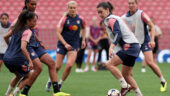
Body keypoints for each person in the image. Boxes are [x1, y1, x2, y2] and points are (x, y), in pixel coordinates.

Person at [97, 2, 143, 96]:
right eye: (98, 12)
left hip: (129, 46)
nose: (100, 14)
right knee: (126, 75)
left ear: (107, 10)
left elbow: (118, 34)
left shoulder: (111, 20)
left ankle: (124, 86)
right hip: (134, 46)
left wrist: (111, 47)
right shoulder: (114, 19)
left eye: (101, 12)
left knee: (109, 64)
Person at [121, 0, 167, 92]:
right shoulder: (124, 17)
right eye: (129, 3)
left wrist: (152, 40)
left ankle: (163, 81)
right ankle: (130, 86)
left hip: (145, 42)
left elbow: (152, 26)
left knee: (150, 62)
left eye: (132, 3)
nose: (131, 5)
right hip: (133, 44)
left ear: (137, 4)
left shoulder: (141, 14)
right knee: (128, 70)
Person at [45, 0, 86, 92]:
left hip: (74, 44)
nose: (72, 9)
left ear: (76, 8)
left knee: (69, 65)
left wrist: (83, 40)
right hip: (62, 44)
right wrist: (65, 44)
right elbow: (58, 33)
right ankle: (50, 80)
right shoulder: (64, 19)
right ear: (68, 9)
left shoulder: (81, 19)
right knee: (58, 66)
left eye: (74, 8)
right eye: (70, 8)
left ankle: (60, 84)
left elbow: (84, 28)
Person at [3, 10, 35, 96]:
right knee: (29, 75)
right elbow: (23, 48)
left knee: (18, 76)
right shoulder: (28, 31)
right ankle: (15, 93)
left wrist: (10, 47)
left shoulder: (16, 28)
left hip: (6, 58)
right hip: (17, 59)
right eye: (33, 21)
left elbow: (5, 37)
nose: (35, 23)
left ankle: (7, 94)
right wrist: (30, 61)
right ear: (27, 21)